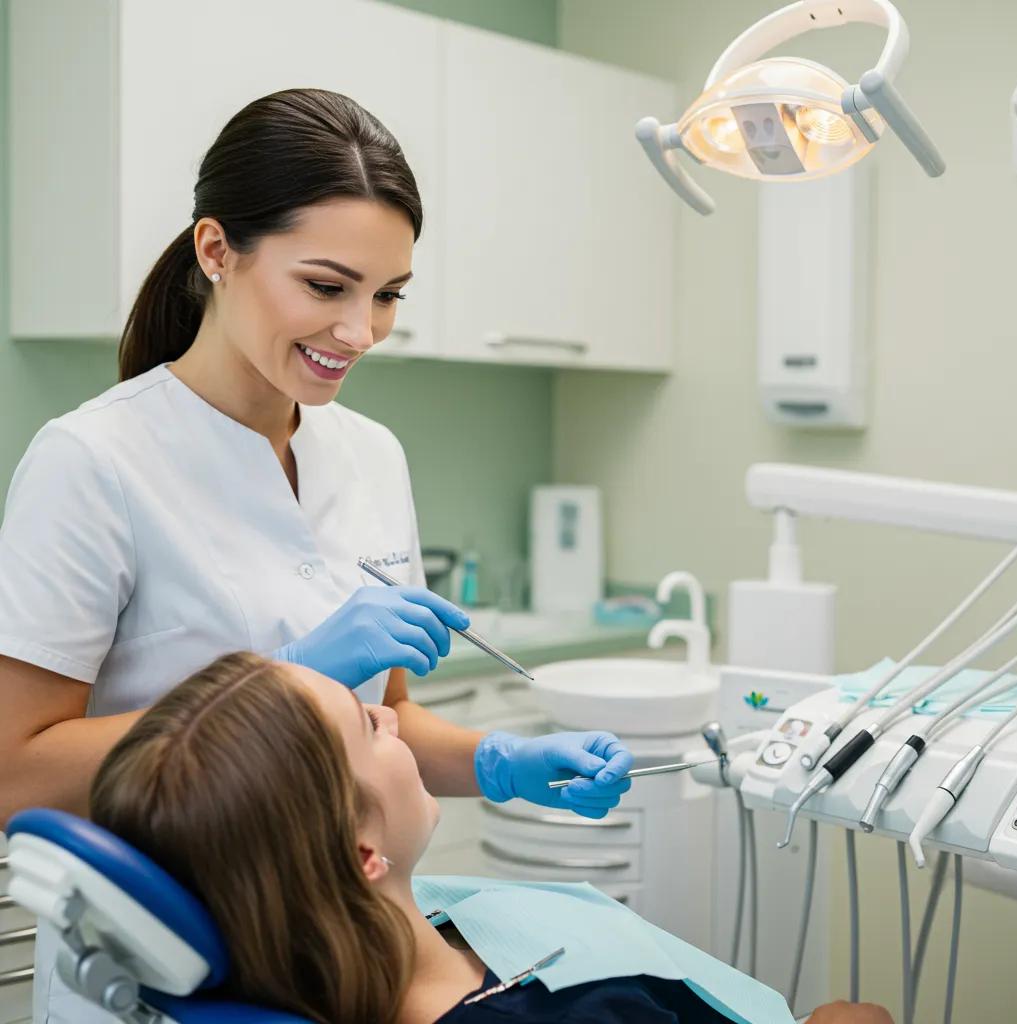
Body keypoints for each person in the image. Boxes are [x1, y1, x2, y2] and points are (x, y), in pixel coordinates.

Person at [0, 88, 631, 1022]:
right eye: (327, 287)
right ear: (217, 251)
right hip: (178, 974)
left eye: (388, 296)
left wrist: (499, 760)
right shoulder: (93, 463)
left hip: (343, 957)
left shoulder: (371, 456)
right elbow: (16, 771)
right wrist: (279, 685)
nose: (361, 331)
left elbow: (389, 723)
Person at [89, 651, 894, 1024]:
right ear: (362, 856)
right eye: (369, 728)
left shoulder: (411, 930)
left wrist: (501, 763)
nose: (389, 713)